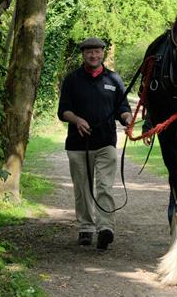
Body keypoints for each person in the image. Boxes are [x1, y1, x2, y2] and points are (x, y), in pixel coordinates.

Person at [57, 37, 133, 251]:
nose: (93, 55)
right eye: (89, 52)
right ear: (83, 54)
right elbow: (63, 111)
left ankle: (106, 228)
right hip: (77, 145)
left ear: (103, 53)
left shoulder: (114, 80)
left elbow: (123, 108)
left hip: (106, 143)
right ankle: (86, 228)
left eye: (97, 52)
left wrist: (128, 119)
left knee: (104, 186)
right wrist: (77, 120)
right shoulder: (72, 80)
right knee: (82, 188)